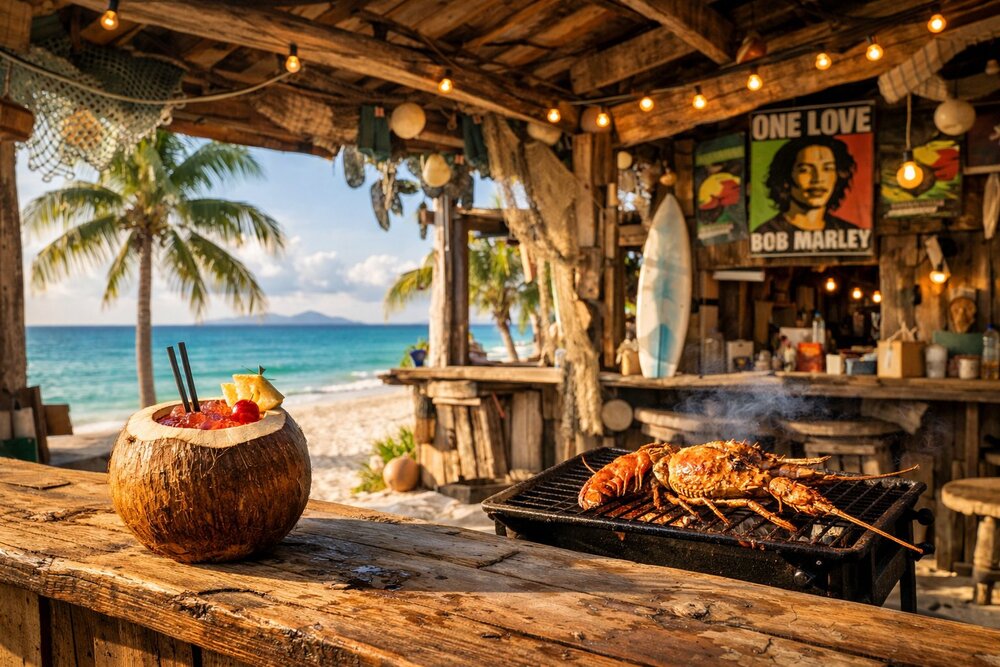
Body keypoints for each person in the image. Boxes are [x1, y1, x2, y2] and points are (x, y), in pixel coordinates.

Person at [755, 135, 858, 235]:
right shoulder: (764, 234)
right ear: (785, 178)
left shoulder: (851, 234)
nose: (818, 179)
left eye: (827, 169)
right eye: (805, 170)